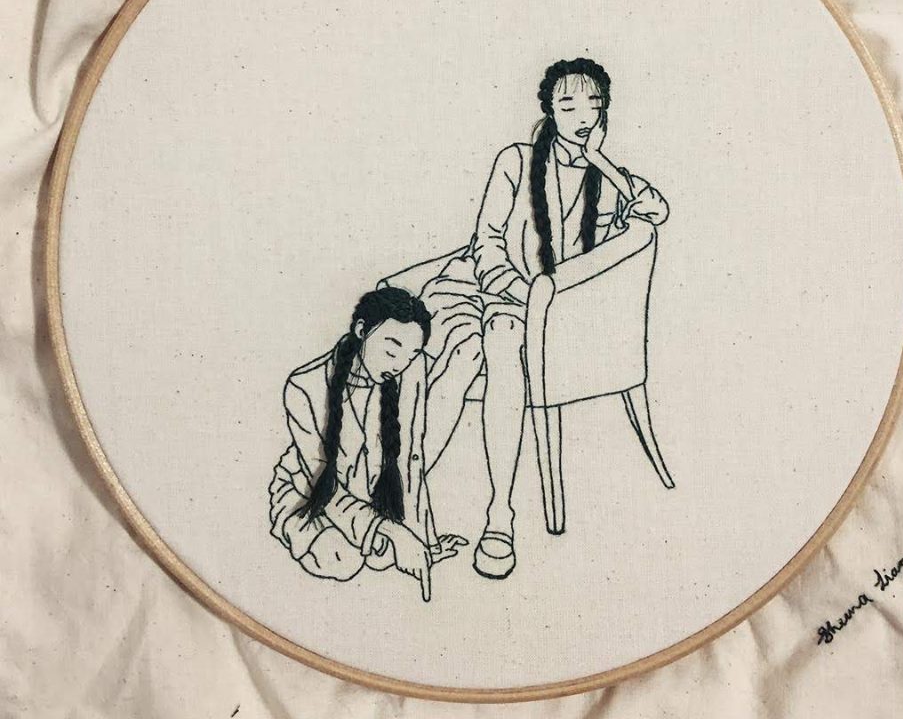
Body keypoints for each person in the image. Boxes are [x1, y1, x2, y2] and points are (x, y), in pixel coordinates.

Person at [420, 57, 669, 579]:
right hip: (493, 289)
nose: (581, 116)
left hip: (561, 316)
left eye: (593, 105)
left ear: (605, 114)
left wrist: (601, 164)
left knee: (498, 343)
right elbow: (487, 241)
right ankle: (406, 487)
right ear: (550, 112)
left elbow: (656, 211)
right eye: (568, 105)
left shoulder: (611, 179)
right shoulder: (515, 161)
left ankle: (499, 515)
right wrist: (518, 292)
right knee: (469, 349)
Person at [268, 286, 467, 601]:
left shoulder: (407, 374)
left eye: (411, 354)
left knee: (382, 558)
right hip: (309, 493)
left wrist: (423, 540)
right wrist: (390, 531)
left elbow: (410, 459)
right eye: (391, 350)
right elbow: (322, 484)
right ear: (361, 330)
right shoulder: (305, 386)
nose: (400, 364)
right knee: (341, 560)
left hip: (369, 493)